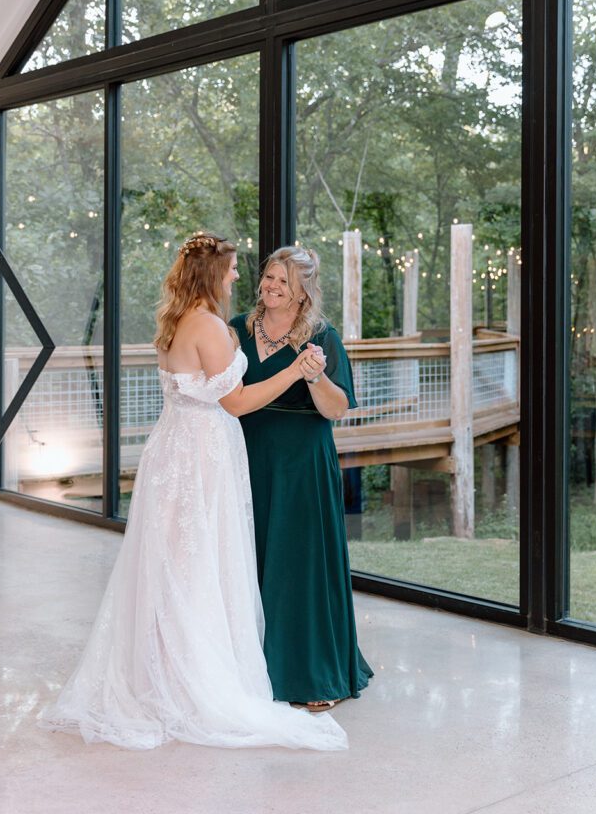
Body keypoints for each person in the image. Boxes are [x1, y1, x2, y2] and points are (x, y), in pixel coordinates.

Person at [38, 232, 347, 751]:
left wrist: (306, 374)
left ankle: (164, 672)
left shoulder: (186, 321)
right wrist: (294, 368)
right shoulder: (215, 328)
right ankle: (192, 681)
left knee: (179, 566)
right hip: (201, 454)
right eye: (233, 271)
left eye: (275, 279)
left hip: (182, 452)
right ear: (211, 275)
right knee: (199, 566)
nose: (242, 280)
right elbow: (235, 402)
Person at [230, 246, 373, 709]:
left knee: (300, 567)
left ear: (303, 291)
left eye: (282, 282)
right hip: (246, 454)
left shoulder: (322, 337)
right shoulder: (236, 329)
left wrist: (312, 377)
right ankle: (244, 669)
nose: (270, 287)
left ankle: (312, 675)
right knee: (248, 561)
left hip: (302, 463)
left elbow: (337, 409)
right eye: (268, 277)